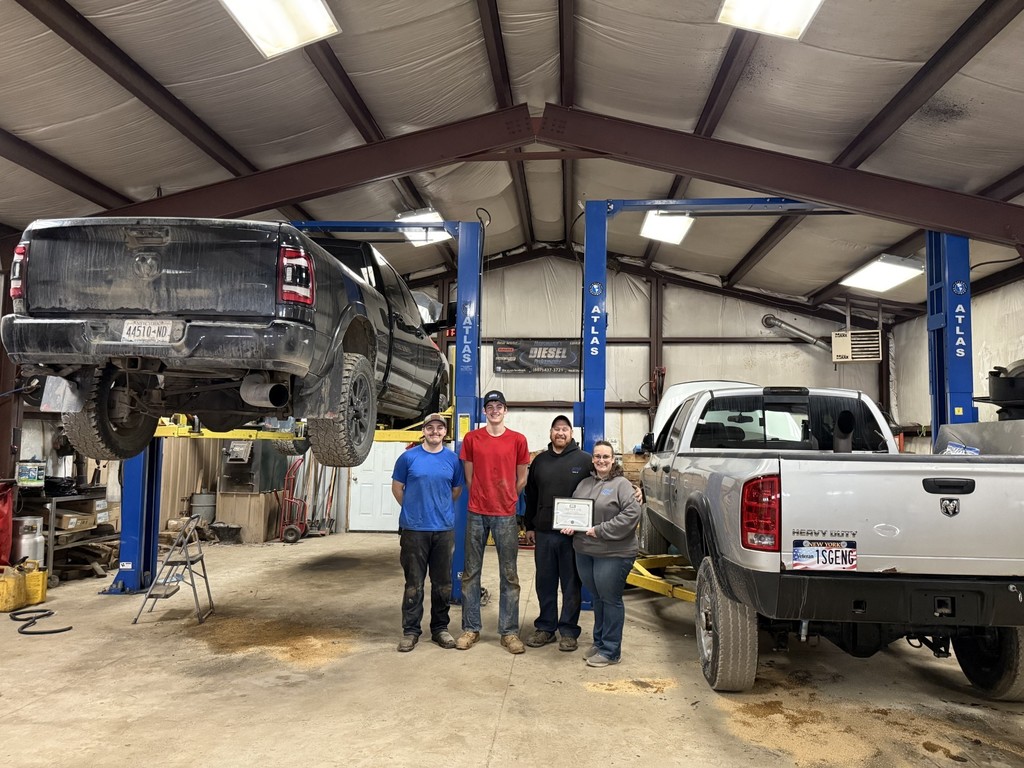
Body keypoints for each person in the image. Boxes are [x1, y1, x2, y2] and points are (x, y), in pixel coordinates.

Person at [457, 390, 531, 654]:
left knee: (509, 574)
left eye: (499, 406)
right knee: (470, 573)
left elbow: (522, 477)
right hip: (477, 512)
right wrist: (482, 495)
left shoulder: (518, 440)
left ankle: (509, 632)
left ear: (505, 410)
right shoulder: (472, 438)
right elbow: (469, 477)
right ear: (484, 411)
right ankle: (471, 628)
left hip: (506, 514)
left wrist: (509, 497)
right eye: (490, 406)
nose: (495, 409)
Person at [563, 440, 641, 667]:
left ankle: (611, 650)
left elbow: (632, 514)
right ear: (593, 459)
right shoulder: (584, 484)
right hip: (585, 551)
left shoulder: (622, 485)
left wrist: (601, 530)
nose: (601, 460)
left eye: (606, 456)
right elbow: (575, 512)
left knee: (610, 599)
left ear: (613, 459)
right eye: (597, 456)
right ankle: (599, 642)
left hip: (614, 553)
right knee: (598, 598)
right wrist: (570, 525)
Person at [391, 413, 465, 652]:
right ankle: (411, 631)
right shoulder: (407, 458)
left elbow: (455, 490)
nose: (435, 431)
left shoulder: (453, 460)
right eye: (430, 427)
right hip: (414, 530)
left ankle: (440, 629)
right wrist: (414, 509)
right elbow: (397, 489)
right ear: (423, 430)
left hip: (443, 530)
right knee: (413, 583)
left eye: (440, 428)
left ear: (445, 432)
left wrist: (437, 510)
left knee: (443, 584)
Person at [523, 415, 590, 652]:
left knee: (572, 583)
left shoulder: (585, 460)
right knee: (545, 582)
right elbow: (530, 495)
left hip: (572, 535)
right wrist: (529, 525)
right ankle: (546, 628)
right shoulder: (540, 461)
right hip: (544, 533)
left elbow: (604, 479)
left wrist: (633, 489)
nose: (560, 433)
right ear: (550, 433)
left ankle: (569, 631)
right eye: (556, 429)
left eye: (564, 429)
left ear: (571, 433)